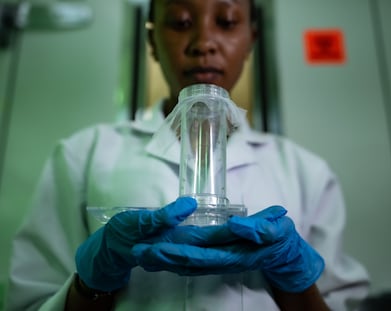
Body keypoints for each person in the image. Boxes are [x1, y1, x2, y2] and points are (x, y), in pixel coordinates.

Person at [6, 0, 370, 310]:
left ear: (251, 39)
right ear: (151, 40)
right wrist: (92, 284)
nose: (204, 42)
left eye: (226, 22)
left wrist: (295, 283)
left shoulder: (306, 172)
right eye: (181, 22)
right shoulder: (82, 155)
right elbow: (32, 300)